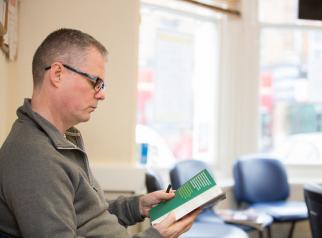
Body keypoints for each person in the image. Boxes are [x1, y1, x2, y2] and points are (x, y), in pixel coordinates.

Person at [0, 28, 200, 238]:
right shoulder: (36, 159)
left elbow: (86, 219)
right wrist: (156, 236)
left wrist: (138, 207)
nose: (101, 94)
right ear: (57, 74)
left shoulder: (62, 139)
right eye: (95, 82)